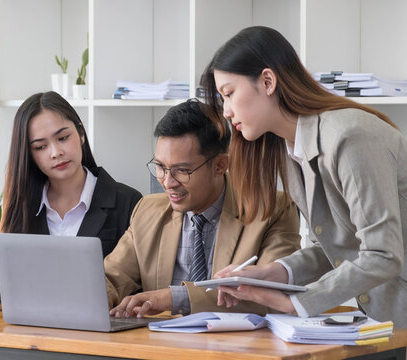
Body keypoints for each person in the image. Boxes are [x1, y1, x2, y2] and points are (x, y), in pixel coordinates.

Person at [202, 26, 407, 359]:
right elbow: (336, 246)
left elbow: (382, 253)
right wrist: (271, 274)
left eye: (229, 93)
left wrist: (297, 303)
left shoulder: (349, 137)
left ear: (267, 82)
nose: (226, 111)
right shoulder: (292, 150)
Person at [105, 98, 300, 318]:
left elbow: (271, 297)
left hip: (234, 348)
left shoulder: (273, 209)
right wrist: (92, 294)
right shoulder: (148, 211)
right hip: (159, 345)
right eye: (160, 167)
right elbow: (112, 277)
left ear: (219, 166)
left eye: (182, 171)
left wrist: (176, 298)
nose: (168, 182)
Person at [0, 91, 142, 299]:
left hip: (104, 329)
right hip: (33, 329)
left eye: (63, 138)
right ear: (29, 155)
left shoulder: (128, 202)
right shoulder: (22, 208)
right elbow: (10, 288)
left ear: (81, 133)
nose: (55, 152)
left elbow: (141, 288)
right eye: (41, 147)